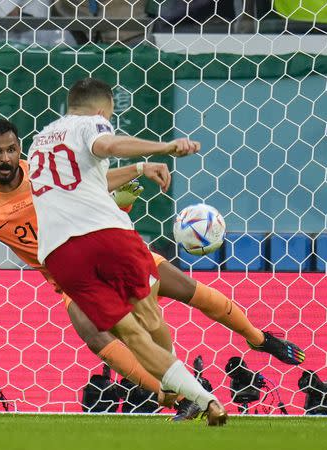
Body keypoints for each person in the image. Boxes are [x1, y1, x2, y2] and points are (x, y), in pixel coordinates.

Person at [0, 117, 304, 418]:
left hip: (108, 250)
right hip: (70, 278)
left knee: (189, 291)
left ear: (20, 149)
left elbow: (95, 180)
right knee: (96, 335)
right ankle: (173, 395)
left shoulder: (43, 172)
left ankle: (257, 338)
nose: (6, 157)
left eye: (11, 148)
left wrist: (136, 171)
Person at [26, 77, 229, 424]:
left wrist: (137, 170)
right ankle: (187, 386)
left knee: (131, 336)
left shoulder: (39, 142)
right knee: (149, 317)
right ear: (104, 108)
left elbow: (89, 183)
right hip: (107, 235)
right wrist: (165, 148)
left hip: (60, 255)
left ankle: (199, 398)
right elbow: (107, 145)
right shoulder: (91, 123)